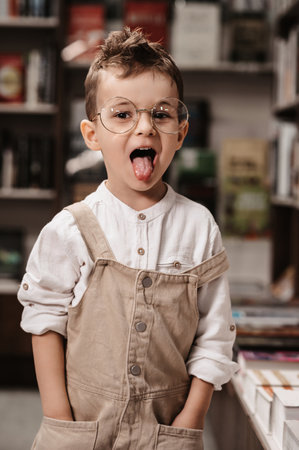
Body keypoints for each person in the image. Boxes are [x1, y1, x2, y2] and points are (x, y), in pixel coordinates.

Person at [18, 27, 238, 450]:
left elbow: (215, 336)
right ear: (92, 135)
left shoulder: (199, 227)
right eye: (122, 114)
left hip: (168, 434)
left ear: (181, 132)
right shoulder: (70, 229)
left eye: (161, 114)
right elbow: (44, 322)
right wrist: (60, 420)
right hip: (80, 431)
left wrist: (190, 421)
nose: (145, 128)